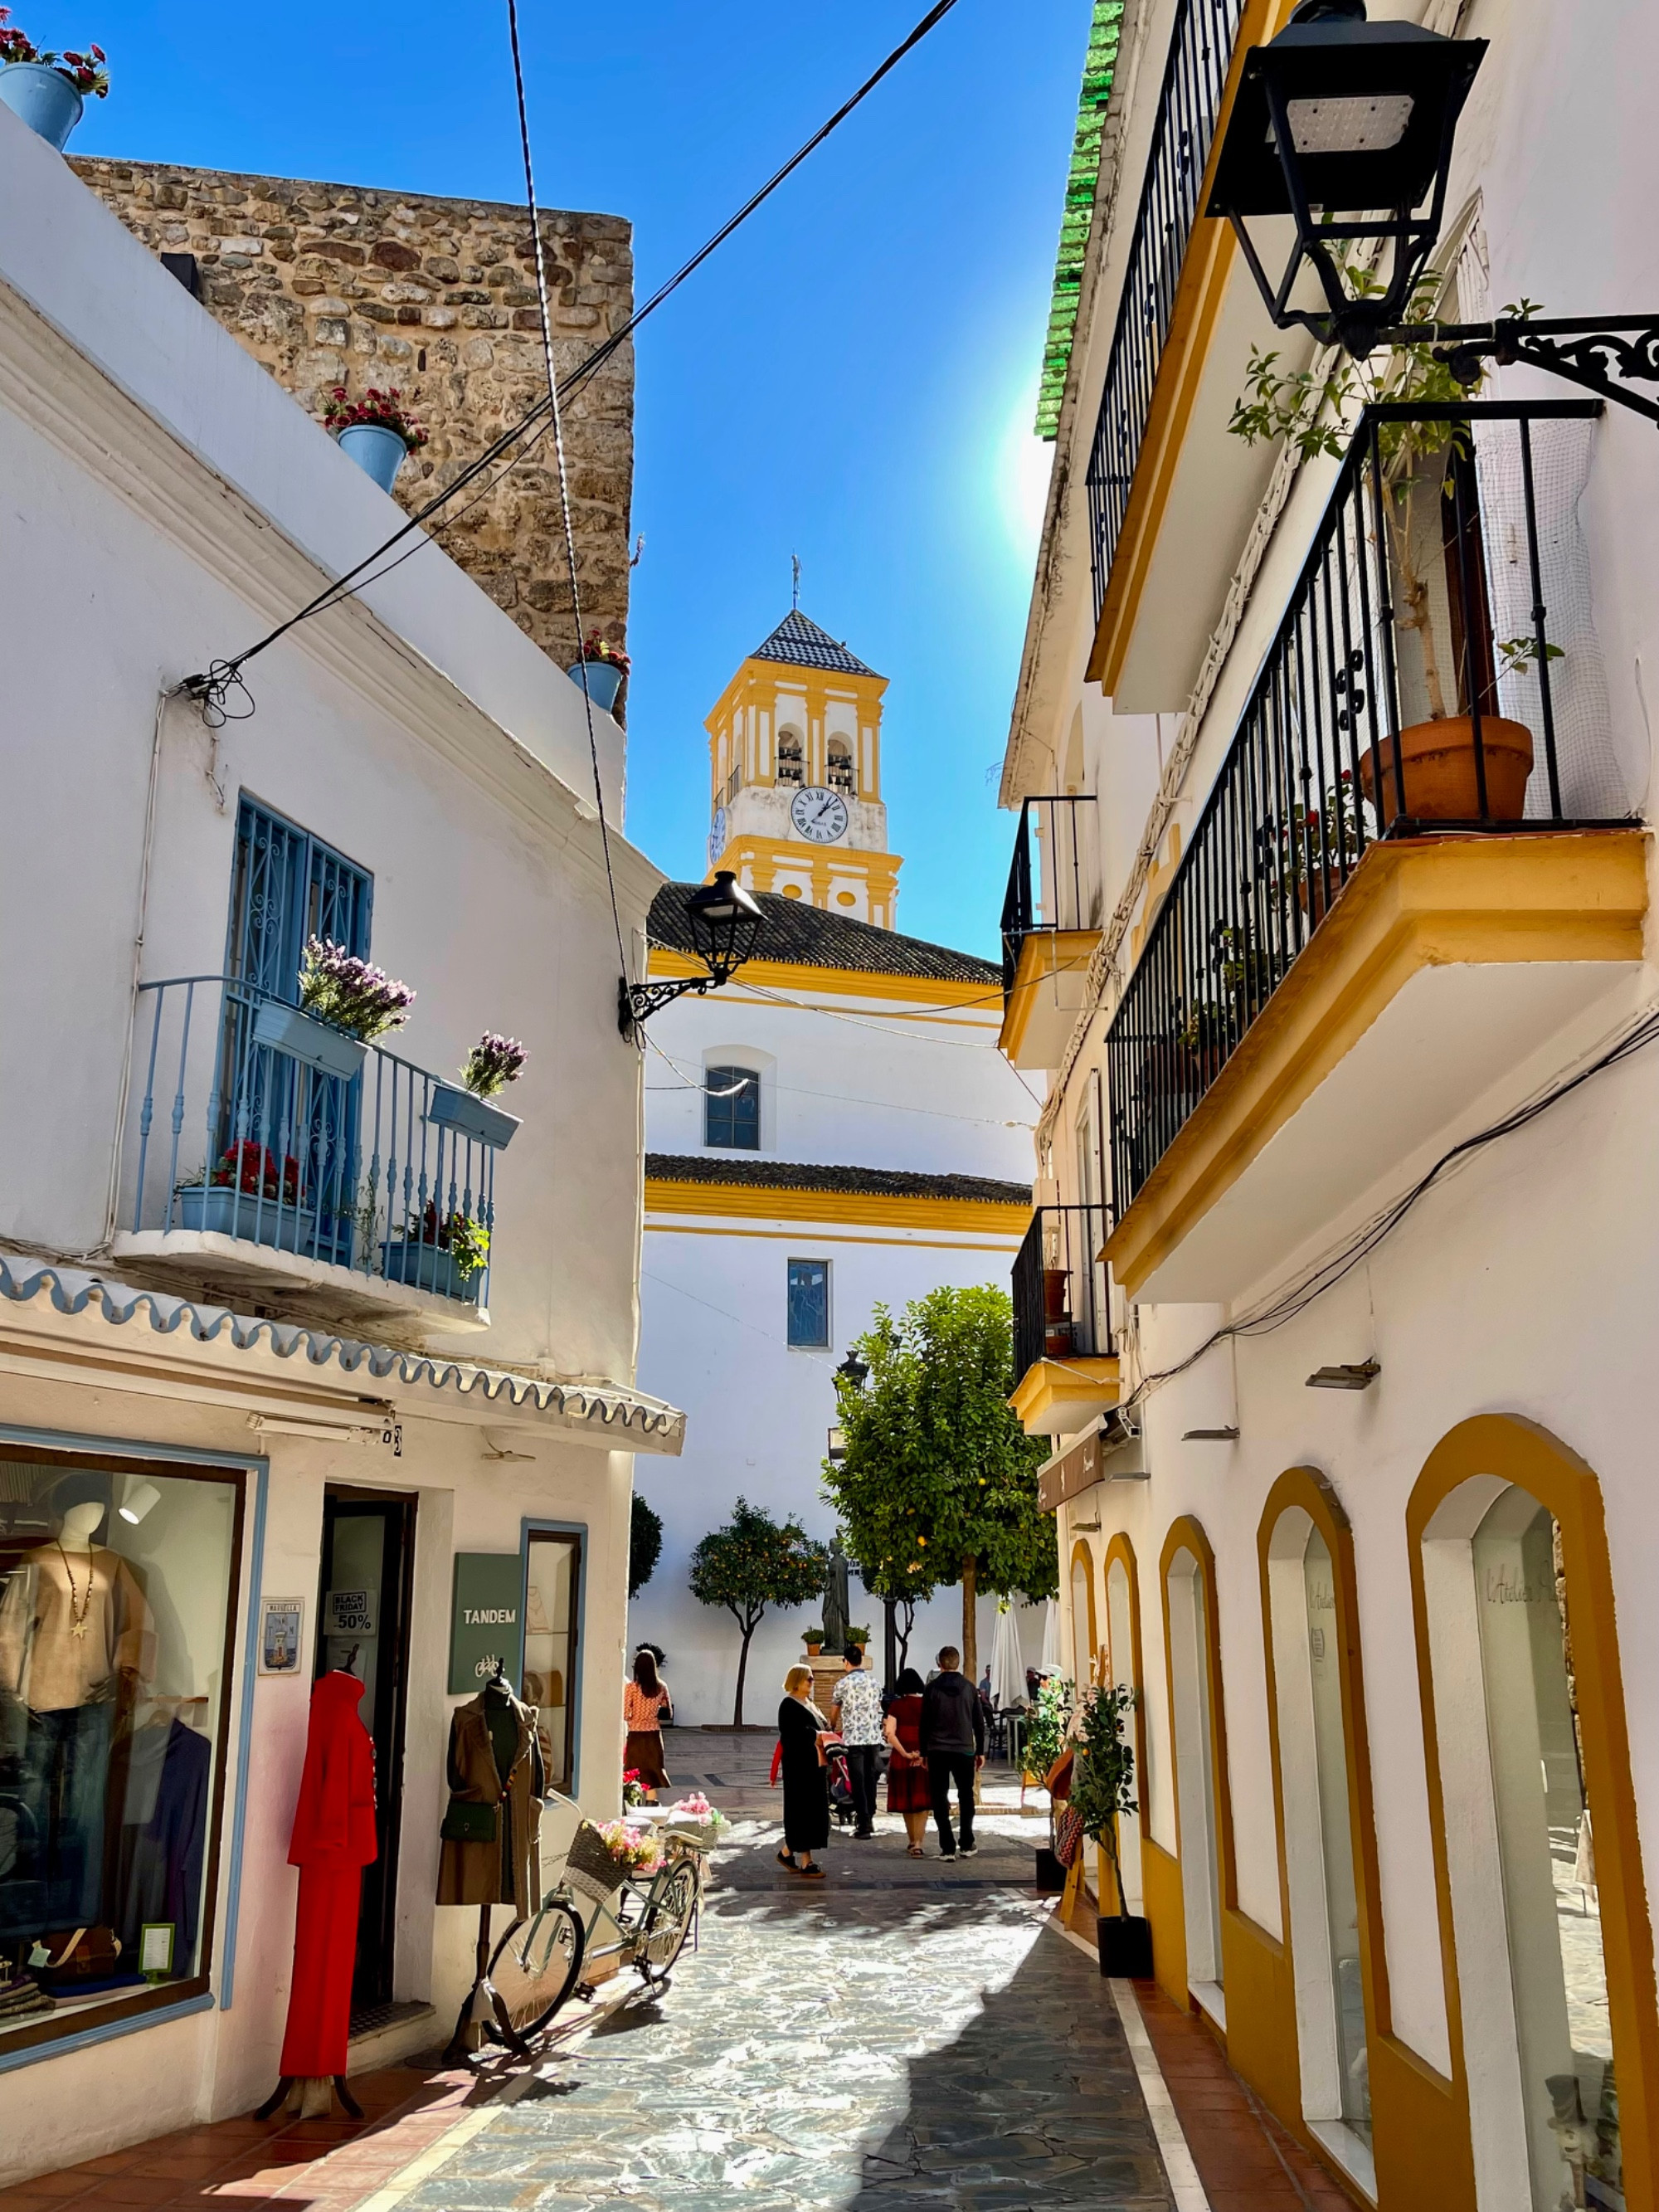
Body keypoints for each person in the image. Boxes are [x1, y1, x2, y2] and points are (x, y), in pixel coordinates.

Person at [920, 1644, 985, 1859]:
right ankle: (966, 1841)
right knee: (966, 1794)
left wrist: (923, 1753)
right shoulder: (970, 1688)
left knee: (939, 1797)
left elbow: (925, 1723)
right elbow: (978, 1722)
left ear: (940, 1663)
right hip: (964, 1749)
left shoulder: (931, 1688)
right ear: (958, 1663)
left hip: (937, 1750)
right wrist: (980, 1751)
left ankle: (947, 1847)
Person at [776, 1664, 833, 1878]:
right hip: (799, 1768)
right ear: (797, 1680)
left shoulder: (809, 1704)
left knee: (813, 1811)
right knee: (801, 1811)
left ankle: (789, 1853)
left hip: (815, 1766)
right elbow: (792, 1735)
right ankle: (805, 1860)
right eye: (809, 1678)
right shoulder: (788, 1705)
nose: (812, 1682)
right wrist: (816, 1735)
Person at [829, 1640, 882, 1839]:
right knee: (870, 1778)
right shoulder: (874, 1683)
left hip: (853, 1738)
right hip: (872, 1737)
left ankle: (863, 1822)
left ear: (846, 1662)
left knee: (857, 1780)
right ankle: (871, 1816)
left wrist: (832, 1727)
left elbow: (835, 1711)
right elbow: (876, 1706)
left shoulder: (842, 1685)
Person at [883, 1666, 931, 1856]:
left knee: (906, 1802)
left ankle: (911, 1840)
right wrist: (921, 1752)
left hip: (902, 1759)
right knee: (922, 1802)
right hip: (924, 1758)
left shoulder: (896, 1706)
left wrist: (904, 1753)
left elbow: (890, 1734)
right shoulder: (928, 1704)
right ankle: (919, 1842)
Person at [622, 1648, 672, 1795]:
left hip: (636, 1735)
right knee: (652, 1770)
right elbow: (667, 1711)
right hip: (653, 1735)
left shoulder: (631, 1688)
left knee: (634, 1770)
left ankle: (633, 1800)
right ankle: (651, 1801)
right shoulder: (661, 1687)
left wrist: (635, 1718)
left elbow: (625, 1713)